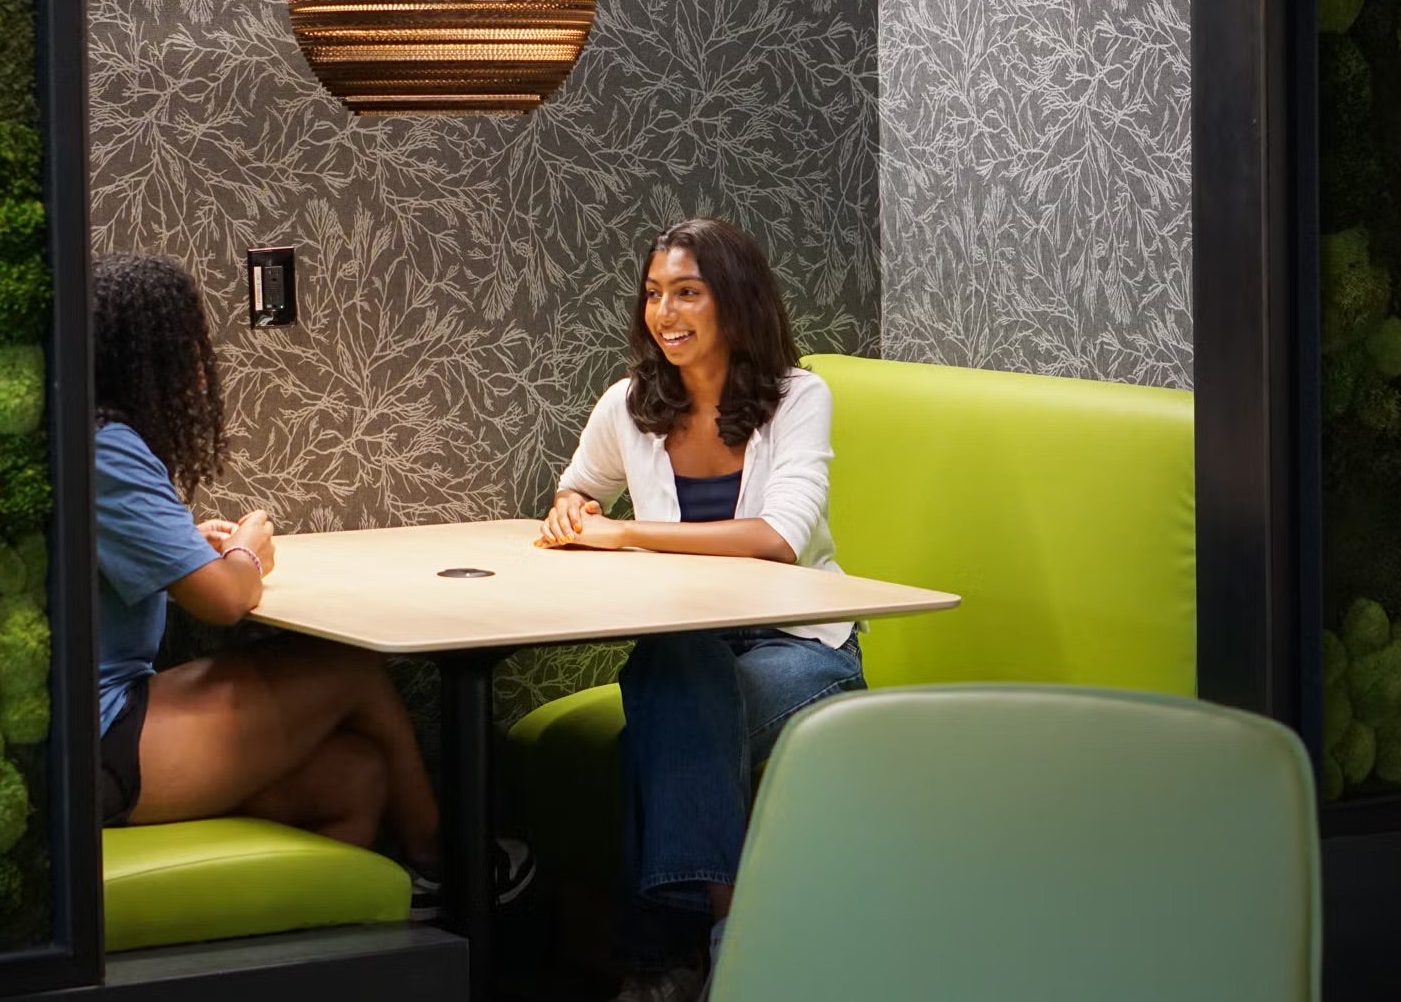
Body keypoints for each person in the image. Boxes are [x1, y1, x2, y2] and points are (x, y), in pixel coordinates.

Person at [91, 253, 531, 915]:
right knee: (350, 666)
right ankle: (447, 858)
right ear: (150, 354)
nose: (200, 363)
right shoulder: (108, 448)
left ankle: (355, 946)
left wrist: (190, 545)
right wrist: (246, 550)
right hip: (94, 745)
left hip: (115, 717)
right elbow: (227, 599)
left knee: (356, 780)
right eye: (188, 343)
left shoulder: (89, 437)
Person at [536, 218, 864, 1001]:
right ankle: (726, 935)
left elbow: (779, 537)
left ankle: (661, 963)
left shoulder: (797, 397)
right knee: (673, 666)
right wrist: (570, 512)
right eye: (654, 293)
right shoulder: (629, 404)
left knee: (660, 720)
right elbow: (579, 487)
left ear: (736, 301)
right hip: (693, 644)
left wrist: (622, 534)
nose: (665, 312)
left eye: (688, 292)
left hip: (800, 647)